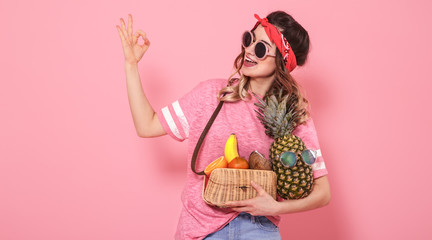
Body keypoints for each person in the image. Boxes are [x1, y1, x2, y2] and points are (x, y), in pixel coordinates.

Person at [116, 11, 331, 240]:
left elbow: (323, 193)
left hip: (257, 229)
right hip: (199, 230)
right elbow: (146, 126)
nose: (249, 50)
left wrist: (274, 208)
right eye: (249, 39)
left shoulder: (294, 116)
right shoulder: (212, 95)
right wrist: (131, 65)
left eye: (261, 48)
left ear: (282, 61)